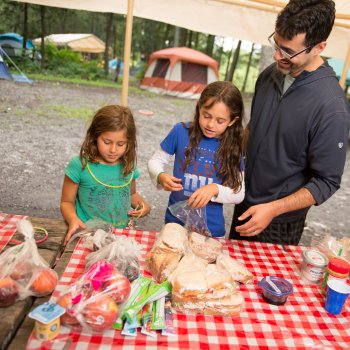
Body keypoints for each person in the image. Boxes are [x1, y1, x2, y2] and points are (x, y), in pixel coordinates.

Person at [229, 0, 350, 245]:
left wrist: (273, 209)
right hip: (243, 203)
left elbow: (326, 182)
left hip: (279, 221)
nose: (276, 55)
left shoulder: (331, 106)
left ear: (319, 47)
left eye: (287, 51)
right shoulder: (269, 76)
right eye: (277, 43)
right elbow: (255, 129)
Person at [148, 81, 245, 237]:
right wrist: (160, 175)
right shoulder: (180, 131)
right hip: (175, 225)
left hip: (211, 231)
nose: (211, 124)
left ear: (232, 121)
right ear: (198, 107)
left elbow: (239, 193)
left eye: (220, 121)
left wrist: (214, 189)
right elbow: (155, 160)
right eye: (206, 115)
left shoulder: (234, 146)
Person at [61, 105, 151, 243]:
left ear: (129, 143)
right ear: (95, 136)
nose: (113, 150)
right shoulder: (80, 165)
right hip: (88, 234)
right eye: (107, 142)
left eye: (121, 144)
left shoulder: (128, 164)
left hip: (121, 234)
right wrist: (73, 220)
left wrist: (143, 205)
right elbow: (66, 202)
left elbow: (131, 194)